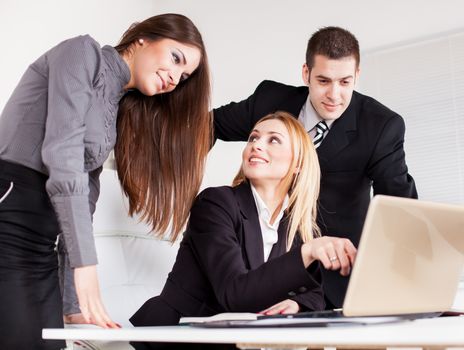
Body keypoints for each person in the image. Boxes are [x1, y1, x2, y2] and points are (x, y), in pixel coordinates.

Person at [0, 13, 211, 350]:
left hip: (43, 239)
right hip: (11, 211)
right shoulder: (83, 53)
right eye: (175, 58)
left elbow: (86, 198)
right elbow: (62, 152)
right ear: (143, 38)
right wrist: (87, 267)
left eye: (184, 76)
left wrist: (73, 305)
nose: (175, 77)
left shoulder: (116, 107)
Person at [213, 26, 418, 309]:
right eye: (323, 80)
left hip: (338, 274)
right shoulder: (269, 100)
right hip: (267, 267)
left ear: (357, 75)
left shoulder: (381, 126)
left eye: (345, 82)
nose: (334, 94)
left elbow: (400, 211)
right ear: (305, 73)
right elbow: (207, 126)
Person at [130, 111, 357, 350]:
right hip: (178, 340)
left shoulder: (294, 223)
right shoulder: (215, 204)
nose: (257, 145)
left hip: (235, 342)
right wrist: (307, 252)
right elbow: (234, 295)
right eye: (253, 138)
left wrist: (297, 305)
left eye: (273, 140)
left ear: (298, 163)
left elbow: (314, 294)